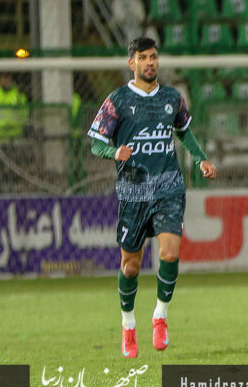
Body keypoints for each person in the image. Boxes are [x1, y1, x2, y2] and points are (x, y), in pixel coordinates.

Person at [88, 37, 216, 358]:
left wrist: (200, 159)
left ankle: (160, 316)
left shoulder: (173, 98)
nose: (150, 63)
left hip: (168, 186)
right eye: (143, 57)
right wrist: (114, 150)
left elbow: (183, 131)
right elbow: (95, 144)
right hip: (133, 191)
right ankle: (128, 324)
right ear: (131, 63)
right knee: (130, 265)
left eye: (154, 57)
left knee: (170, 253)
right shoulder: (117, 100)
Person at [0, 74, 30, 141]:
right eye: (3, 77)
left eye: (7, 77)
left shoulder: (19, 94)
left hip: (15, 135)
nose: (5, 80)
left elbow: (25, 113)